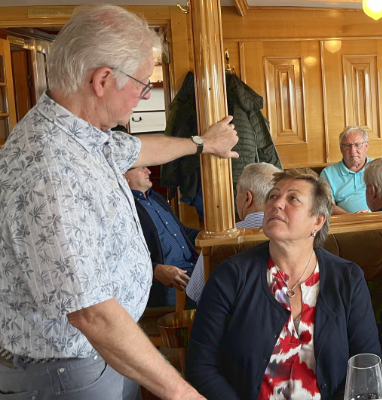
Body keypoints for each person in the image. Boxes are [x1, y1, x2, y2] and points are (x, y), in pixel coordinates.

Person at [0, 5, 238, 400]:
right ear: (102, 80)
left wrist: (202, 143)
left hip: (102, 353)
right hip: (70, 371)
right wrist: (183, 393)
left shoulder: (82, 134)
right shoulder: (49, 168)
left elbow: (139, 148)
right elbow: (91, 313)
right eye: (143, 84)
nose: (144, 96)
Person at [186, 168, 382, 400]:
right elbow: (200, 367)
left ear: (317, 221)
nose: (277, 204)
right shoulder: (230, 276)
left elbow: (367, 363)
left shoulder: (347, 278)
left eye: (293, 199)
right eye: (273, 196)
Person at [185, 162, 281, 302]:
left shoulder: (218, 238)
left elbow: (196, 294)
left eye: (237, 192)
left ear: (247, 198)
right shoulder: (297, 234)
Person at [126, 166, 199, 307]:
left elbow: (182, 231)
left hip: (192, 266)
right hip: (169, 279)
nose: (148, 171)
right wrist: (154, 270)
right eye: (141, 168)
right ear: (125, 175)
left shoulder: (156, 197)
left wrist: (210, 235)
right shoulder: (125, 207)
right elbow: (125, 255)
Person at [320, 126, 372, 214]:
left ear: (366, 146)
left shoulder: (379, 167)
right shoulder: (328, 173)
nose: (353, 150)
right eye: (347, 146)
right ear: (341, 149)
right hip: (346, 220)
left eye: (357, 145)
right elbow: (328, 205)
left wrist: (372, 215)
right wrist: (350, 217)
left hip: (379, 218)